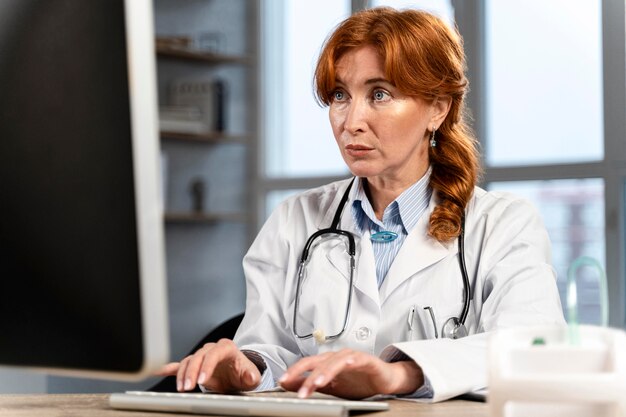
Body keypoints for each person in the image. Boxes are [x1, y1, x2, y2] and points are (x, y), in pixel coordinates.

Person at [158, 7, 565, 402]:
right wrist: (245, 368)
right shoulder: (295, 219)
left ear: (438, 109)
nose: (351, 120)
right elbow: (268, 347)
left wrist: (398, 373)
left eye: (380, 94)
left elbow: (533, 348)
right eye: (339, 95)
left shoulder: (504, 224)